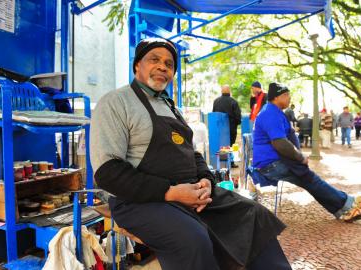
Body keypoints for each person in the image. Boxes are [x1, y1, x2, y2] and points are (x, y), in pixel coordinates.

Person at [90, 38, 291, 270]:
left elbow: (190, 153)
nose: (163, 66)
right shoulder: (116, 102)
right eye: (154, 59)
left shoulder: (170, 107)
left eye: (169, 63)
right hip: (138, 201)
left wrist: (206, 179)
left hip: (189, 193)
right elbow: (108, 173)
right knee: (193, 239)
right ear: (137, 65)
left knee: (254, 215)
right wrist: (171, 192)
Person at [252, 82, 361, 223]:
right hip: (270, 165)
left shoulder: (275, 112)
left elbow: (287, 138)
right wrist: (299, 157)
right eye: (285, 95)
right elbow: (280, 143)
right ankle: (348, 204)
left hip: (276, 161)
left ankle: (344, 209)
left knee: (310, 181)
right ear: (275, 97)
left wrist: (297, 156)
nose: (289, 98)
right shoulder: (270, 113)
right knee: (310, 179)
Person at [212, 85, 242, 167]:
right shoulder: (233, 102)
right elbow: (238, 117)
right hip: (231, 129)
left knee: (222, 146)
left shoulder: (216, 101)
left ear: (221, 91)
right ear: (229, 91)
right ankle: (230, 163)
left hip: (220, 129)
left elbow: (214, 114)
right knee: (230, 145)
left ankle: (223, 163)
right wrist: (236, 123)